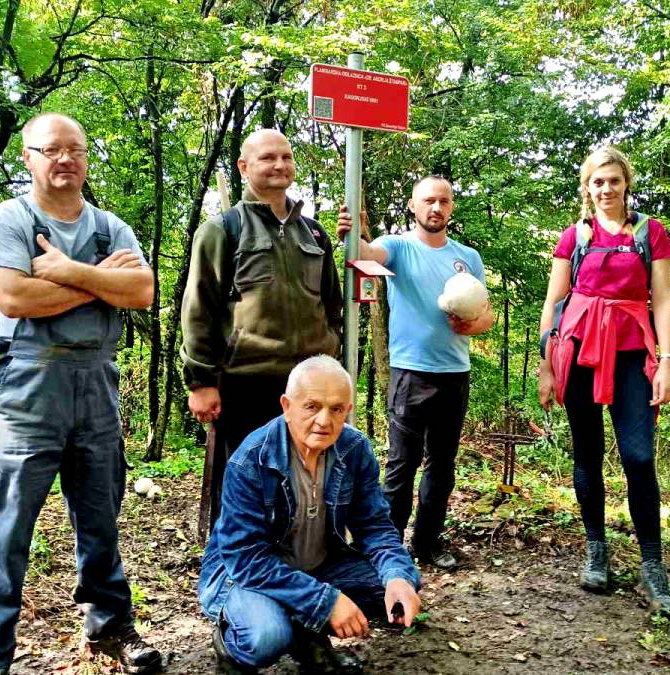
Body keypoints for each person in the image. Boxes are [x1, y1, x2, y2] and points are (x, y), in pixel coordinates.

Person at [0, 113, 162, 674]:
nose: (65, 158)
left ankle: (110, 626)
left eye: (75, 149)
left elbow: (142, 291)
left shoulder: (111, 227)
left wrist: (66, 271)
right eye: (51, 149)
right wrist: (100, 282)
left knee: (101, 516)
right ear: (27, 157)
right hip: (27, 386)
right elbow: (16, 299)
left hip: (97, 380)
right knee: (4, 526)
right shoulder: (5, 221)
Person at [198, 355, 422, 674]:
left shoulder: (354, 449)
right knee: (266, 637)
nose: (323, 420)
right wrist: (326, 602)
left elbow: (375, 527)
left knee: (396, 585)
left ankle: (305, 632)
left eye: (336, 409)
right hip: (244, 575)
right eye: (312, 406)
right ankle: (231, 643)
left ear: (348, 410)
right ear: (287, 406)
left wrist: (398, 576)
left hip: (318, 566)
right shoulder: (251, 460)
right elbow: (246, 559)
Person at [536, 146, 670, 618]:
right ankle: (596, 550)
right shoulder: (575, 237)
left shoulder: (649, 233)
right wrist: (546, 366)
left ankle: (652, 565)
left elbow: (663, 299)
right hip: (578, 351)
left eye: (614, 181)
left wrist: (666, 362)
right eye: (598, 182)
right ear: (587, 187)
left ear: (626, 183)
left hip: (632, 352)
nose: (606, 189)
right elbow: (554, 303)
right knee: (588, 453)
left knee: (639, 457)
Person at [182, 129, 342, 533]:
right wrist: (201, 382)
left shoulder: (314, 233)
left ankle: (293, 557)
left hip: (307, 388)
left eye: (286, 157)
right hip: (245, 384)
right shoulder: (224, 229)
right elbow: (199, 308)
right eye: (268, 158)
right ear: (244, 166)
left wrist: (331, 352)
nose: (279, 165)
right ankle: (230, 561)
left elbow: (331, 305)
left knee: (303, 483)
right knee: (242, 487)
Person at [337, 177, 493, 570]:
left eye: (444, 201)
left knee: (441, 466)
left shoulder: (468, 257)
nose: (436, 208)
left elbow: (486, 315)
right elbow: (365, 254)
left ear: (451, 207)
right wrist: (353, 234)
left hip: (455, 373)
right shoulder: (398, 246)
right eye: (428, 200)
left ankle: (427, 544)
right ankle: (387, 550)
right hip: (410, 373)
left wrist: (473, 325)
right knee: (401, 465)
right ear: (413, 205)